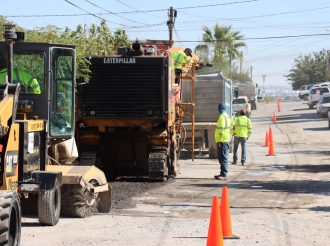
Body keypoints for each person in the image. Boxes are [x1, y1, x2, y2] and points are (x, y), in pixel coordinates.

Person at [214, 103, 231, 180]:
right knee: (223, 157)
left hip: (222, 140)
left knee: (222, 157)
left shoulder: (221, 117)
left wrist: (220, 140)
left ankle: (224, 174)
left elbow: (221, 129)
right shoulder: (227, 116)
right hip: (226, 139)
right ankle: (222, 173)